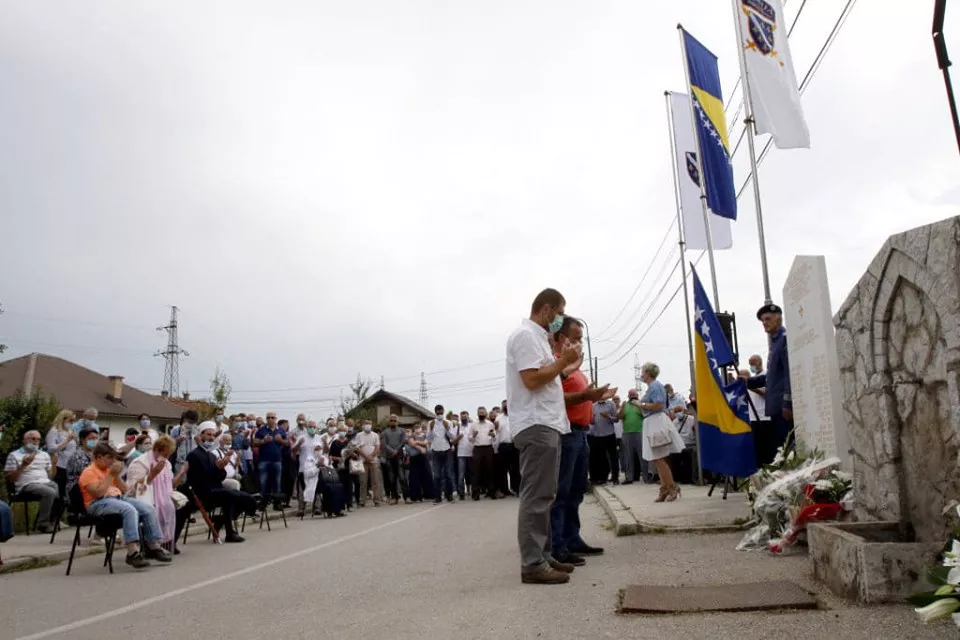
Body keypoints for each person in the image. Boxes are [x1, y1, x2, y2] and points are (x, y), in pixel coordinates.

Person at [506, 288, 583, 585]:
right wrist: (563, 362)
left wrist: (566, 366)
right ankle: (532, 563)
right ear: (547, 309)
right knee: (537, 496)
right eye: (560, 312)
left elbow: (547, 376)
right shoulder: (525, 336)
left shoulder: (539, 338)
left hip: (548, 423)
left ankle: (544, 554)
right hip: (536, 423)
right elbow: (531, 380)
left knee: (546, 495)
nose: (561, 318)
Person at [552, 316, 615, 566]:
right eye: (575, 338)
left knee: (576, 490)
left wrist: (596, 395)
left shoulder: (575, 368)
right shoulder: (555, 366)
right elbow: (556, 398)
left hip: (581, 433)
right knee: (562, 491)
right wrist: (587, 396)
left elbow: (581, 396)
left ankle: (572, 538)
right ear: (561, 338)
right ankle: (557, 545)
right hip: (566, 433)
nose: (579, 343)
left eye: (581, 339)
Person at [79, 442, 173, 568]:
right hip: (97, 503)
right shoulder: (89, 472)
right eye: (109, 458)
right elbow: (99, 494)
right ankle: (132, 551)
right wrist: (111, 475)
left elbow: (124, 489)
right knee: (129, 510)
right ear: (98, 457)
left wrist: (116, 476)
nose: (112, 461)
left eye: (113, 458)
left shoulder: (109, 470)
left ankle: (153, 546)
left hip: (118, 498)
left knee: (148, 509)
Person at [186, 423, 258, 543]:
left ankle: (226, 527)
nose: (211, 438)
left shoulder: (211, 455)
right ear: (201, 435)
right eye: (208, 435)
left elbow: (220, 477)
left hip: (216, 489)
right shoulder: (194, 455)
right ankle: (225, 522)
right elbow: (197, 479)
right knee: (235, 496)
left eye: (213, 435)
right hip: (203, 492)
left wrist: (221, 467)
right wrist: (216, 469)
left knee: (233, 496)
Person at [743, 304, 794, 460]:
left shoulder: (784, 339)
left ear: (778, 319)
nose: (764, 323)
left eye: (768, 319)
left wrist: (787, 403)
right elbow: (770, 377)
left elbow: (788, 373)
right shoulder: (774, 343)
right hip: (774, 408)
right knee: (779, 452)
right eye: (762, 321)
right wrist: (746, 382)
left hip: (782, 407)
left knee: (787, 451)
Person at [126, 435, 189, 551]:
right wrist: (151, 475)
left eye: (169, 455)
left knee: (181, 507)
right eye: (165, 455)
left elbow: (171, 485)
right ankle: (153, 544)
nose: (167, 458)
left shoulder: (166, 463)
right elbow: (133, 488)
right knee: (156, 507)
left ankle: (170, 541)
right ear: (157, 450)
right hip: (143, 498)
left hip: (163, 497)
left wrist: (181, 474)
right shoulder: (140, 463)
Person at [638, 362, 685, 502]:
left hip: (656, 421)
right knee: (656, 458)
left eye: (643, 372)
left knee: (658, 457)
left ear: (647, 373)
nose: (641, 374)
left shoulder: (655, 386)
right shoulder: (653, 386)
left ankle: (671, 487)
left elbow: (658, 404)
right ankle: (664, 488)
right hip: (652, 421)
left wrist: (641, 404)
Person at [4, 430, 59, 533]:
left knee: (56, 488)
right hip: (26, 484)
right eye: (33, 439)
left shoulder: (44, 455)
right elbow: (10, 478)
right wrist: (23, 465)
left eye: (38, 439)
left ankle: (50, 520)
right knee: (50, 492)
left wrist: (54, 464)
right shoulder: (14, 455)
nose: (36, 442)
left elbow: (50, 476)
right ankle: (43, 523)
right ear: (24, 440)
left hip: (45, 482)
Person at [745, 353, 774, 466]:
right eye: (750, 365)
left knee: (766, 450)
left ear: (759, 363)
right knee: (757, 451)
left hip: (764, 418)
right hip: (753, 418)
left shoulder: (765, 376)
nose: (751, 367)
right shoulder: (752, 379)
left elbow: (767, 393)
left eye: (753, 364)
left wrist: (752, 387)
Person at [254, 412, 288, 510]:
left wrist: (280, 441)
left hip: (277, 460)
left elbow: (287, 443)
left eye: (272, 417)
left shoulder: (280, 430)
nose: (270, 419)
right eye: (268, 418)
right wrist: (263, 441)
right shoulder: (262, 430)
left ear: (276, 419)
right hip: (264, 460)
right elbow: (255, 442)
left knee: (277, 482)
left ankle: (277, 503)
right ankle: (264, 503)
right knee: (264, 482)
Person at [293, 420, 324, 517]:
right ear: (307, 428)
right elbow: (293, 451)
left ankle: (317, 508)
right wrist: (298, 444)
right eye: (310, 427)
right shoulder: (301, 438)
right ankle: (301, 509)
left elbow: (325, 451)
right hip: (303, 467)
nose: (312, 429)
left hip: (316, 467)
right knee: (302, 489)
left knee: (316, 487)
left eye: (314, 427)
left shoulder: (319, 438)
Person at [427, 405, 456, 504]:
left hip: (447, 450)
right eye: (437, 411)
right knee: (437, 476)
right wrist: (431, 429)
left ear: (443, 411)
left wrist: (447, 428)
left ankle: (449, 496)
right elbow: (429, 438)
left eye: (440, 411)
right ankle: (437, 497)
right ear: (435, 412)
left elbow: (452, 437)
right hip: (435, 450)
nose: (439, 413)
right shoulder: (431, 423)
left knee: (448, 475)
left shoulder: (449, 422)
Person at [46, 409, 77, 498]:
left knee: (66, 492)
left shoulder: (69, 431)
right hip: (58, 464)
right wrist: (67, 440)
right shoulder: (54, 431)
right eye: (70, 420)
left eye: (74, 421)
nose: (72, 423)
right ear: (63, 419)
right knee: (58, 491)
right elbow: (51, 449)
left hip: (69, 465)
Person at [590, 394, 620, 485]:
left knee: (613, 457)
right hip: (598, 435)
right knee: (601, 458)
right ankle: (603, 478)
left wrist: (608, 416)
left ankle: (615, 477)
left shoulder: (611, 404)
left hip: (609, 434)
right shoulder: (593, 406)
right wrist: (591, 419)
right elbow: (592, 422)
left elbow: (616, 419)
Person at [469, 407, 498, 500]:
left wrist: (493, 435)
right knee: (476, 472)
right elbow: (470, 439)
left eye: (483, 413)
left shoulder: (490, 424)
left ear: (486, 414)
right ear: (477, 414)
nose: (481, 414)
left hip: (488, 448)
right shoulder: (473, 425)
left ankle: (492, 492)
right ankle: (475, 493)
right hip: (477, 449)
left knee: (490, 470)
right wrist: (473, 436)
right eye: (480, 413)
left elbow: (494, 437)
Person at [65, 427, 100, 502]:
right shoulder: (77, 455)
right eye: (91, 438)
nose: (94, 441)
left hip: (92, 484)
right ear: (83, 440)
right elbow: (86, 474)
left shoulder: (94, 454)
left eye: (96, 438)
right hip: (77, 488)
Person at [618, 389, 645, 485]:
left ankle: (646, 477)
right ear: (628, 396)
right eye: (631, 395)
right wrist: (622, 407)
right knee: (628, 456)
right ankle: (629, 478)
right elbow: (620, 417)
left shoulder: (641, 404)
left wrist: (639, 405)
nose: (633, 396)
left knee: (642, 455)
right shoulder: (625, 405)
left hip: (639, 432)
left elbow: (644, 415)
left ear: (637, 396)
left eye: (635, 395)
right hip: (627, 433)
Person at [354, 420, 384, 507]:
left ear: (371, 425)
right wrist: (365, 457)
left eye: (369, 424)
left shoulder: (375, 435)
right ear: (363, 425)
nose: (367, 425)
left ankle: (376, 500)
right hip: (362, 461)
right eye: (366, 424)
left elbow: (377, 447)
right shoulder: (359, 435)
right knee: (363, 481)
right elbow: (357, 447)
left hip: (374, 461)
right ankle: (362, 500)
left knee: (375, 481)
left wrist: (371, 456)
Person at [380, 414, 408, 504]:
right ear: (389, 422)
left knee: (402, 478)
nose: (393, 422)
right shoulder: (384, 432)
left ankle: (406, 497)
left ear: (397, 422)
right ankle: (394, 497)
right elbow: (384, 444)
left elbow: (403, 442)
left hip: (399, 457)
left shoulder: (402, 431)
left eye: (395, 420)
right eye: (391, 420)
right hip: (389, 458)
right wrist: (392, 451)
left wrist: (396, 450)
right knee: (392, 479)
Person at [495, 400, 520, 497]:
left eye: (507, 405)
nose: (506, 407)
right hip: (503, 445)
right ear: (502, 407)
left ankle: (517, 488)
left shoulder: (516, 416)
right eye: (504, 406)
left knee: (515, 468)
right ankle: (504, 490)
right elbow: (496, 431)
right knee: (503, 469)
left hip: (514, 444)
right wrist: (496, 428)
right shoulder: (499, 418)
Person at [405, 425, 431, 502]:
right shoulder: (411, 436)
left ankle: (428, 495)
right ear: (414, 430)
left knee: (427, 476)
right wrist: (420, 448)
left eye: (418, 428)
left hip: (424, 458)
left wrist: (417, 442)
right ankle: (415, 496)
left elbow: (426, 443)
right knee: (414, 477)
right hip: (414, 458)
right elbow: (411, 443)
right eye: (416, 428)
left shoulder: (425, 435)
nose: (417, 430)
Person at [453, 411, 473, 500]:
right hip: (461, 454)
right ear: (460, 418)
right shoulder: (457, 428)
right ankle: (461, 493)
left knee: (472, 474)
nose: (464, 419)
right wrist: (458, 438)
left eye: (465, 417)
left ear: (468, 417)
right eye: (462, 417)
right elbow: (453, 442)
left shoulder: (472, 426)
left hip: (471, 453)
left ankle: (472, 490)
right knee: (461, 475)